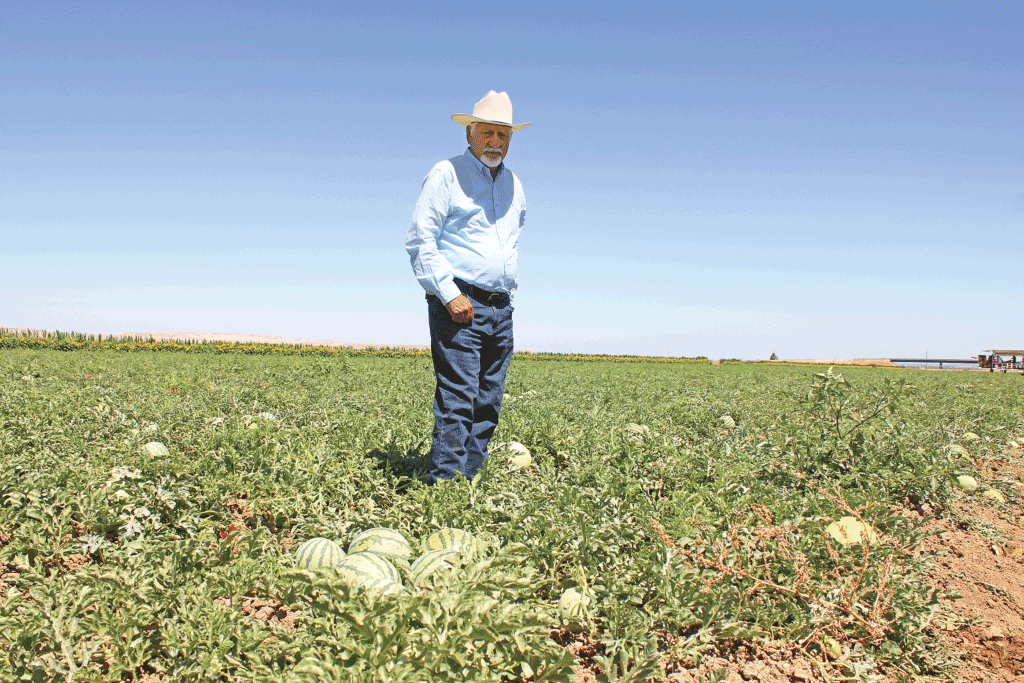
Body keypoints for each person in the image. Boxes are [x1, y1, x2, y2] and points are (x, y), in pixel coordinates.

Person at [405, 91, 531, 484]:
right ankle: (444, 486)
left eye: (504, 135)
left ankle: (470, 481)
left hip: (500, 308)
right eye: (488, 132)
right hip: (460, 302)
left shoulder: (514, 185)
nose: (496, 141)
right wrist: (449, 293)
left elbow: (510, 242)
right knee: (458, 398)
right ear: (470, 134)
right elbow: (420, 240)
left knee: (488, 401)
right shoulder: (446, 174)